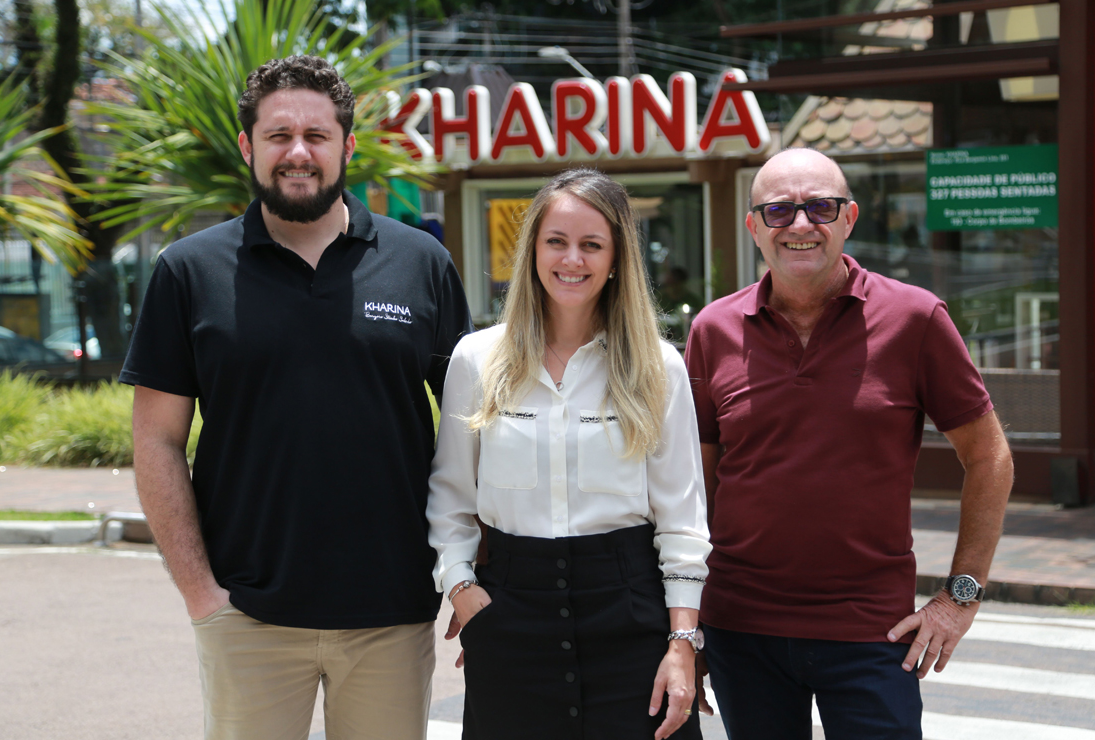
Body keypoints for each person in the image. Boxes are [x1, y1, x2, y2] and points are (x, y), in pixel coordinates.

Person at [121, 55, 471, 740]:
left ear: (345, 144)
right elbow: (156, 441)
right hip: (247, 616)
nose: (298, 153)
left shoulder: (421, 262)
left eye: (316, 134)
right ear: (249, 146)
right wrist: (203, 596)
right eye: (279, 136)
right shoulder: (188, 271)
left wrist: (466, 567)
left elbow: (469, 427)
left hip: (392, 615)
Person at [684, 148, 1013, 739]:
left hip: (873, 633)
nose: (801, 225)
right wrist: (689, 622)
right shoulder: (713, 330)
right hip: (742, 628)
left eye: (820, 207)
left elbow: (988, 456)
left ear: (850, 218)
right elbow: (695, 485)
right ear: (754, 226)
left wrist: (960, 596)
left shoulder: (915, 318)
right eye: (780, 210)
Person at [426, 168, 712, 740]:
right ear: (532, 248)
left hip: (631, 614)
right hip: (509, 614)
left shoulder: (658, 366)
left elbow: (683, 518)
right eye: (556, 241)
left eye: (591, 245)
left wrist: (682, 643)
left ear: (616, 258)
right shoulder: (477, 360)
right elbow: (451, 497)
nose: (571, 260)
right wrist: (461, 590)